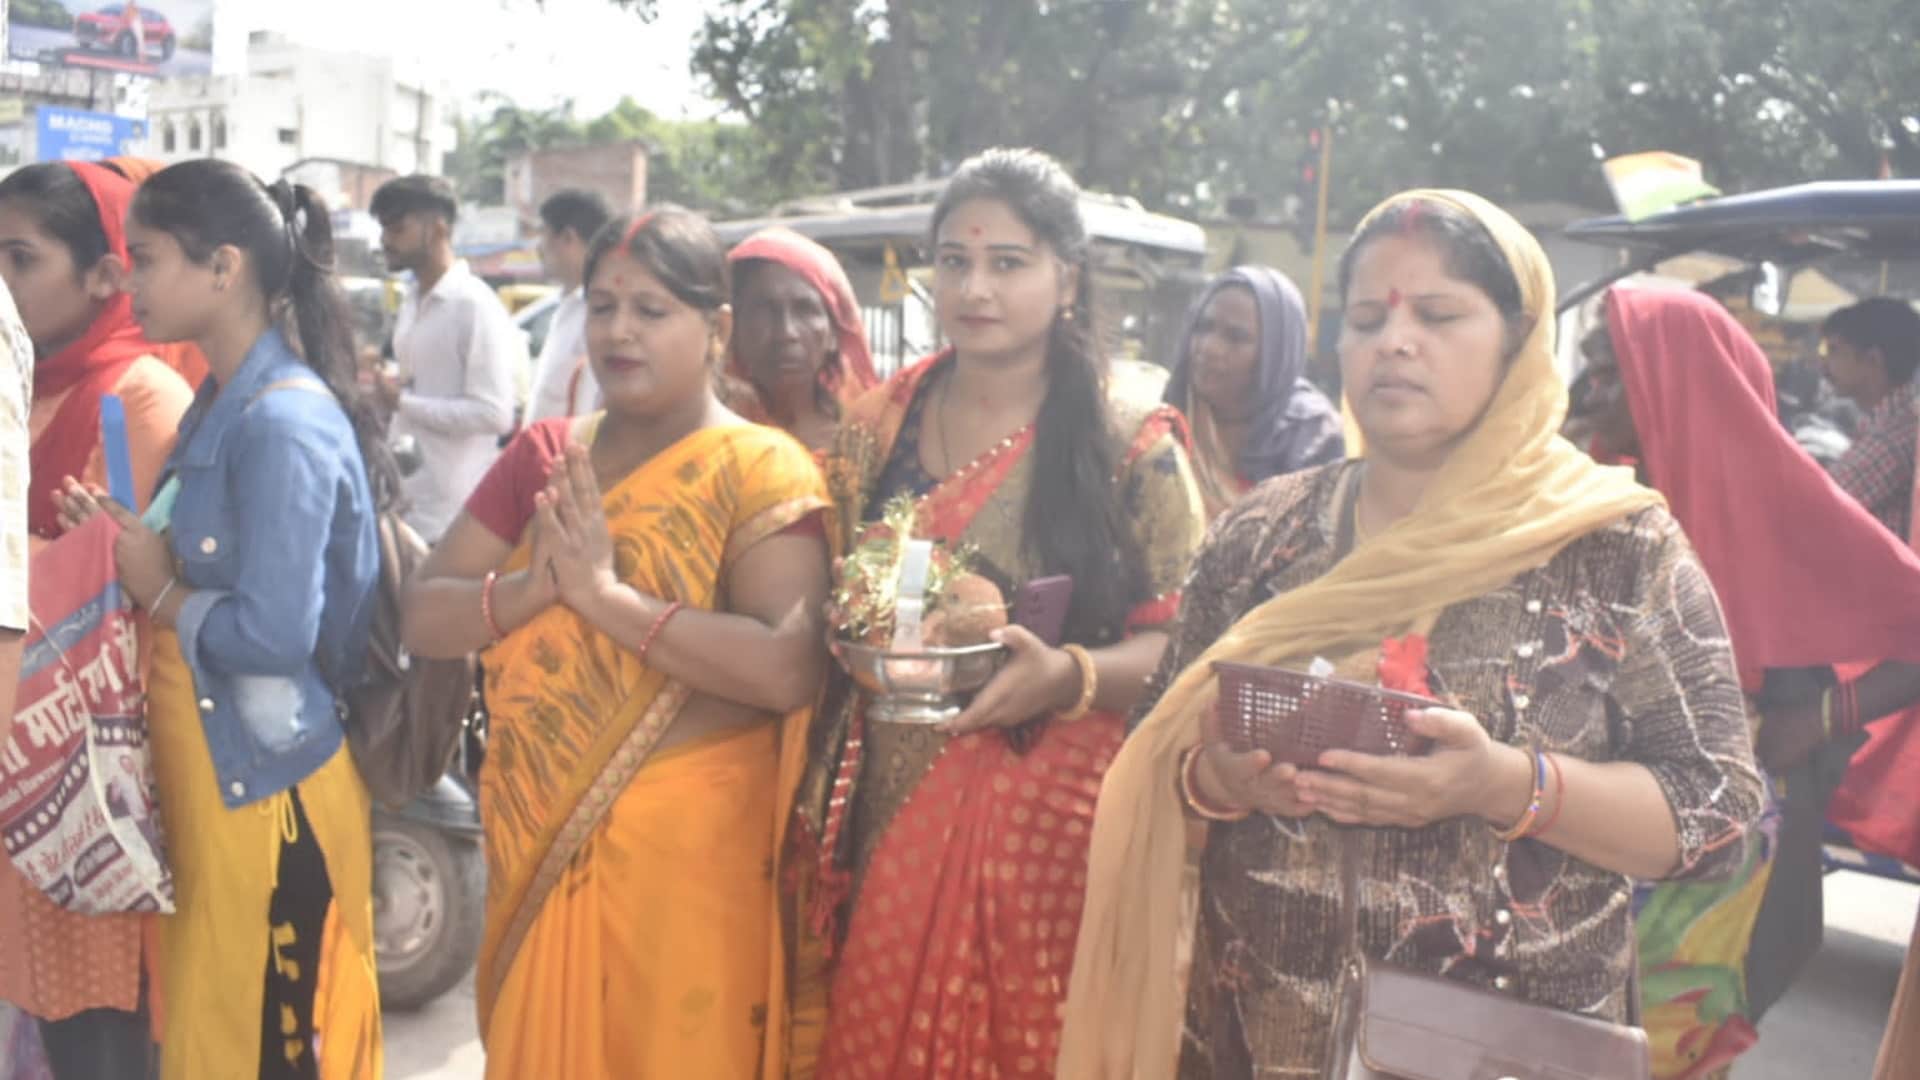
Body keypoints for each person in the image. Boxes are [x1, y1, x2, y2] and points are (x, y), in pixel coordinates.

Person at [1059, 190, 1767, 1078]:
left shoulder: (1613, 548)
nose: (1394, 341)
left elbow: (1718, 817)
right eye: (1365, 320)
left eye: (1438, 315)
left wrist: (1505, 785)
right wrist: (1218, 780)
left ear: (1518, 343)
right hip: (1258, 1034)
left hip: (1498, 1051)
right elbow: (1154, 755)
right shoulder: (1263, 534)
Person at [795, 148, 1207, 1077]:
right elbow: (839, 598)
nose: (975, 286)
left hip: (1050, 834)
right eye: (953, 261)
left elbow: (1192, 645)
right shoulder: (877, 427)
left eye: (1008, 262)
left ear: (1067, 278)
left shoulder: (1128, 437)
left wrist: (1072, 676)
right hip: (885, 804)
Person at [399, 207, 830, 1078]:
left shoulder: (761, 469)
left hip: (688, 867)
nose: (620, 331)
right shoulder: (550, 456)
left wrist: (606, 599)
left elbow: (787, 667)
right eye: (602, 307)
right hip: (539, 844)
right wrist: (529, 592)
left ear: (715, 330)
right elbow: (424, 614)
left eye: (651, 310)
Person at [57, 159, 391, 1079]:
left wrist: (162, 592)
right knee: (212, 1032)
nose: (130, 281)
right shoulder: (220, 400)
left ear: (224, 267)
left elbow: (277, 634)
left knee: (265, 1046)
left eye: (148, 258)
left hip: (268, 788)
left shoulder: (280, 421)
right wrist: (128, 544)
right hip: (217, 778)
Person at [1568, 286, 1920, 1080]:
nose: (1588, 393)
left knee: (1665, 1042)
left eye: (1605, 371)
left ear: (1670, 381)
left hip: (1711, 850)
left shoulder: (1779, 506)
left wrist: (1826, 714)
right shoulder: (1606, 496)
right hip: (1586, 825)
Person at [0, 160, 194, 1080]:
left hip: (88, 783)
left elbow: (125, 596)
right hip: (16, 768)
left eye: (19, 256)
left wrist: (60, 560)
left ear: (104, 276)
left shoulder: (140, 400)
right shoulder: (14, 380)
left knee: (99, 1035)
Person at [368, 174, 518, 540]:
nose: (386, 240)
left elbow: (495, 415)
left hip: (452, 517)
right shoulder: (412, 300)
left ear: (436, 229)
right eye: (384, 229)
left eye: (397, 228)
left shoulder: (473, 306)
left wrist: (403, 401)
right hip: (407, 501)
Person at [1163, 265, 1344, 518]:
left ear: (1276, 352)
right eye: (1203, 327)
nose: (1209, 347)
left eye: (1235, 337)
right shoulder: (1173, 412)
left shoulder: (1312, 436)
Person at [726, 226, 879, 453]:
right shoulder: (709, 431)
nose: (786, 333)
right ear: (732, 327)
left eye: (805, 310)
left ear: (833, 334)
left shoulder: (868, 433)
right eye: (763, 310)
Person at [1821, 297, 1920, 536]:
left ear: (1873, 359)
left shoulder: (1894, 438)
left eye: (1835, 350)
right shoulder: (1893, 425)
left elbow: (1814, 503)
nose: (1824, 363)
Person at [525, 188, 612, 422]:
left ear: (567, 238)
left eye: (542, 235)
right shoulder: (567, 305)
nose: (538, 248)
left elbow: (591, 412)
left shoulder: (599, 313)